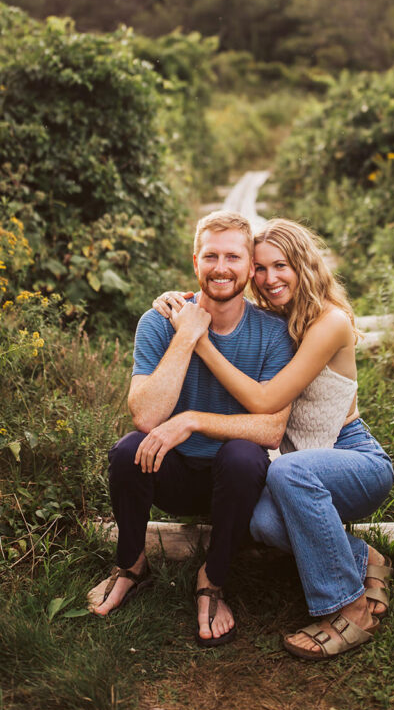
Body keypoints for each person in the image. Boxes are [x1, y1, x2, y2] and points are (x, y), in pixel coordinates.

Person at [153, 217, 394, 661]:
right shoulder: (277, 319)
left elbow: (265, 401)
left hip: (353, 456)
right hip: (302, 465)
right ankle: (360, 558)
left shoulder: (330, 322)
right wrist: (179, 302)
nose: (268, 279)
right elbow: (223, 299)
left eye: (280, 266)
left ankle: (350, 606)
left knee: (285, 469)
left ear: (304, 266)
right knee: (260, 523)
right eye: (260, 269)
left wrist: (197, 340)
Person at [91, 211, 295, 648]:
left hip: (237, 481)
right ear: (195, 262)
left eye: (234, 257)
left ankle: (212, 579)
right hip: (177, 475)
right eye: (211, 256)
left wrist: (191, 421)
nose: (221, 267)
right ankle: (131, 565)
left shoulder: (275, 333)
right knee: (128, 450)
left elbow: (272, 430)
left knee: (244, 455)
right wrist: (186, 335)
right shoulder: (158, 322)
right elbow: (145, 416)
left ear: (249, 266)